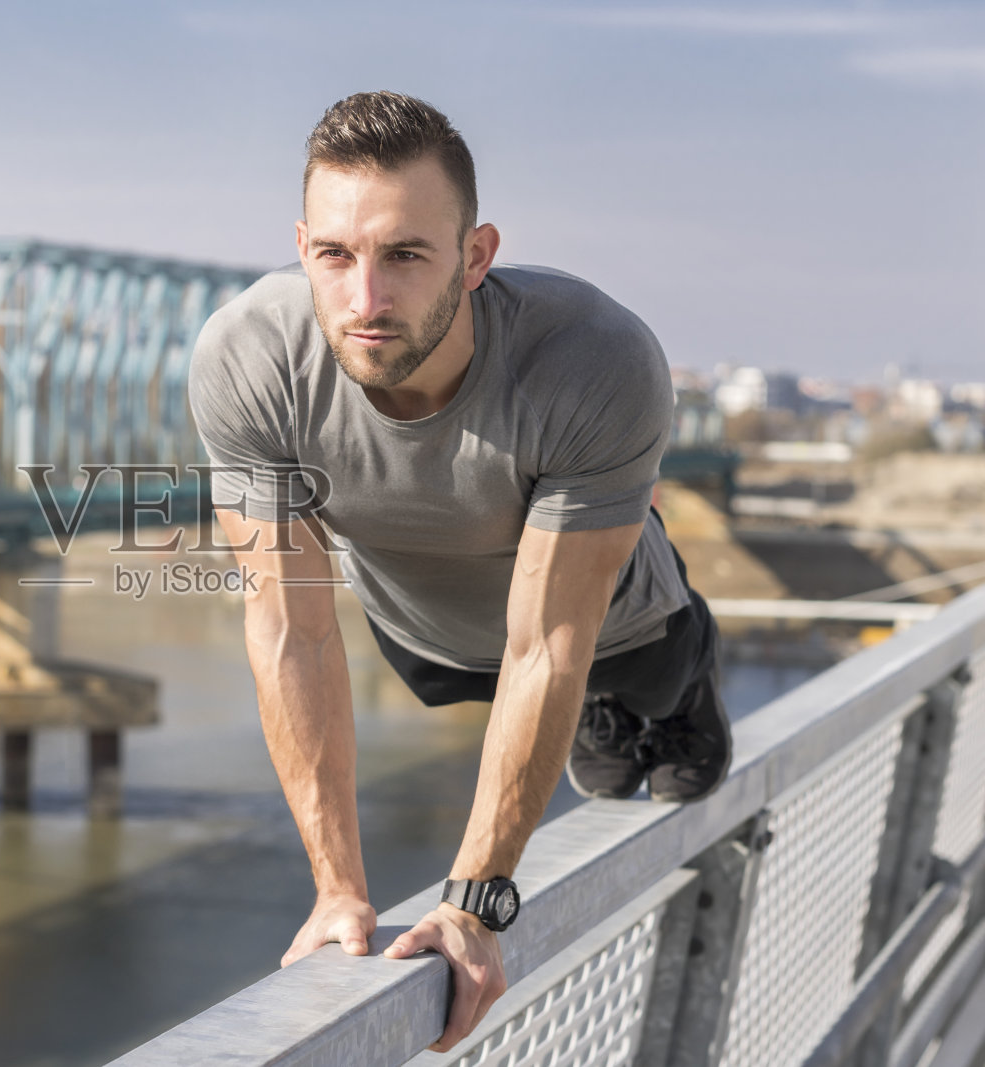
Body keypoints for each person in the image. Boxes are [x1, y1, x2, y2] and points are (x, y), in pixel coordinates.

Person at [186, 90, 730, 1054]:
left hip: (612, 623)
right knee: (488, 688)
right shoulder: (249, 358)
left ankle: (675, 692)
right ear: (302, 246)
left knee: (644, 682)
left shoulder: (593, 358)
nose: (366, 300)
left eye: (405, 255)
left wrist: (475, 904)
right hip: (428, 635)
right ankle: (594, 719)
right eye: (335, 255)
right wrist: (338, 889)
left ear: (476, 256)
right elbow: (290, 626)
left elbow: (548, 643)